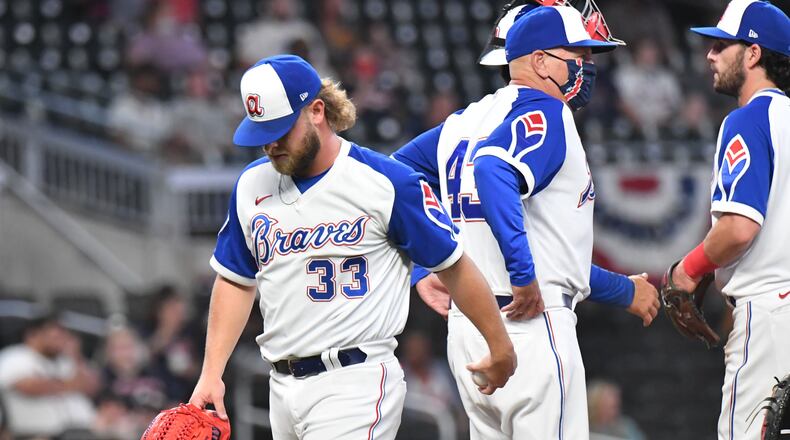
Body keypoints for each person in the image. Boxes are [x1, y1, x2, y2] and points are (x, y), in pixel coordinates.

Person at [187, 54, 516, 440]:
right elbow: (235, 280)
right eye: (262, 134)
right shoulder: (250, 186)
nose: (271, 144)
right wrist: (211, 372)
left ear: (316, 111)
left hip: (354, 382)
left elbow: (455, 266)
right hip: (280, 386)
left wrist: (500, 344)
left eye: (280, 129)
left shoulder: (385, 182)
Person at [393, 4, 659, 439]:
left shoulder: (465, 121)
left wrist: (426, 264)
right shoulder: (547, 114)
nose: (588, 66)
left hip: (469, 327)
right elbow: (494, 172)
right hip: (529, 327)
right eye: (579, 54)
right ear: (539, 61)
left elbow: (398, 175)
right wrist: (522, 274)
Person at [673, 1, 790, 439]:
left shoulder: (749, 119)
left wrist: (687, 269)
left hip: (770, 315)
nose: (710, 55)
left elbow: (740, 228)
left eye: (722, 44)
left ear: (754, 53)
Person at [0, 313, 100, 438]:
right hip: (34, 434)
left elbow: (92, 387)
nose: (60, 340)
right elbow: (29, 387)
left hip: (80, 431)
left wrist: (75, 357)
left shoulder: (65, 360)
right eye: (55, 335)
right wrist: (71, 384)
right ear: (33, 334)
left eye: (63, 335)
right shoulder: (15, 356)